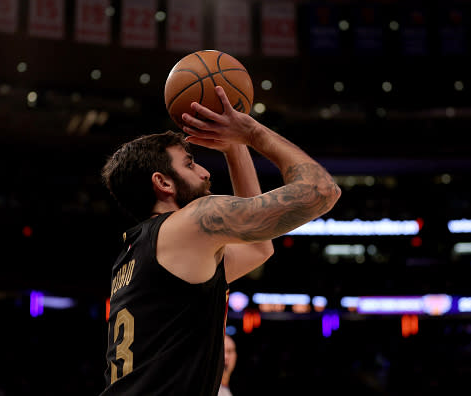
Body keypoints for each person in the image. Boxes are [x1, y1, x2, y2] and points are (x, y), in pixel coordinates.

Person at [99, 85, 341, 396]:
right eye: (189, 164)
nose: (204, 173)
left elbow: (259, 246)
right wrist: (251, 132)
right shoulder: (192, 221)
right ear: (162, 182)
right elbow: (322, 191)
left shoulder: (137, 252)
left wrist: (234, 147)